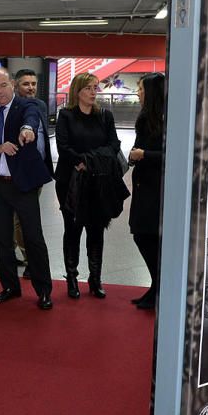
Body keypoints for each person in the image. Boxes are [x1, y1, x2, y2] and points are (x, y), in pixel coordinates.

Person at [0, 67, 54, 309]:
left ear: (12, 85)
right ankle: (9, 286)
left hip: (24, 186)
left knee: (34, 238)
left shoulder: (26, 107)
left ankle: (44, 290)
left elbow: (31, 119)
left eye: (2, 85)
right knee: (2, 240)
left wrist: (27, 129)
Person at [54, 72, 123, 299]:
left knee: (96, 229)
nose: (94, 92)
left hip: (98, 181)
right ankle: (72, 277)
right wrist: (81, 161)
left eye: (96, 88)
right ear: (78, 91)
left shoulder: (105, 116)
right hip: (71, 182)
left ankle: (95, 278)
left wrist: (89, 161)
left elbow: (113, 146)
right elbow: (63, 147)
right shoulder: (65, 115)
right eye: (89, 88)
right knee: (72, 229)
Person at [129, 73, 165, 309]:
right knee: (142, 234)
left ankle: (158, 287)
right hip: (143, 185)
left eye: (141, 89)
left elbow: (174, 155)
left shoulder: (166, 120)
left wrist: (144, 155)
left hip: (156, 188)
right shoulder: (146, 118)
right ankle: (156, 286)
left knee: (146, 235)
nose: (138, 93)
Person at [13, 68, 43, 277]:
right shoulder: (11, 107)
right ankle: (28, 257)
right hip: (16, 173)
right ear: (16, 86)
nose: (31, 87)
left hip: (36, 171)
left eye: (33, 83)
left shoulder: (40, 105)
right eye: (26, 84)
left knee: (29, 218)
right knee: (18, 219)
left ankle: (29, 255)